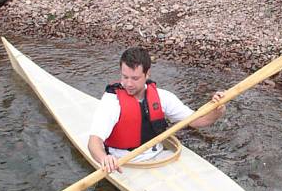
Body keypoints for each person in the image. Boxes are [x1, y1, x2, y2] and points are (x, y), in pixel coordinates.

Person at [88, 47, 226, 172]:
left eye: (135, 78)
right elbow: (94, 142)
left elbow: (197, 121)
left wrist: (216, 110)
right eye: (125, 77)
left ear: (147, 74)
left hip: (159, 155)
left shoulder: (162, 97)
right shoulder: (112, 102)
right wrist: (103, 158)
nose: (128, 83)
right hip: (123, 162)